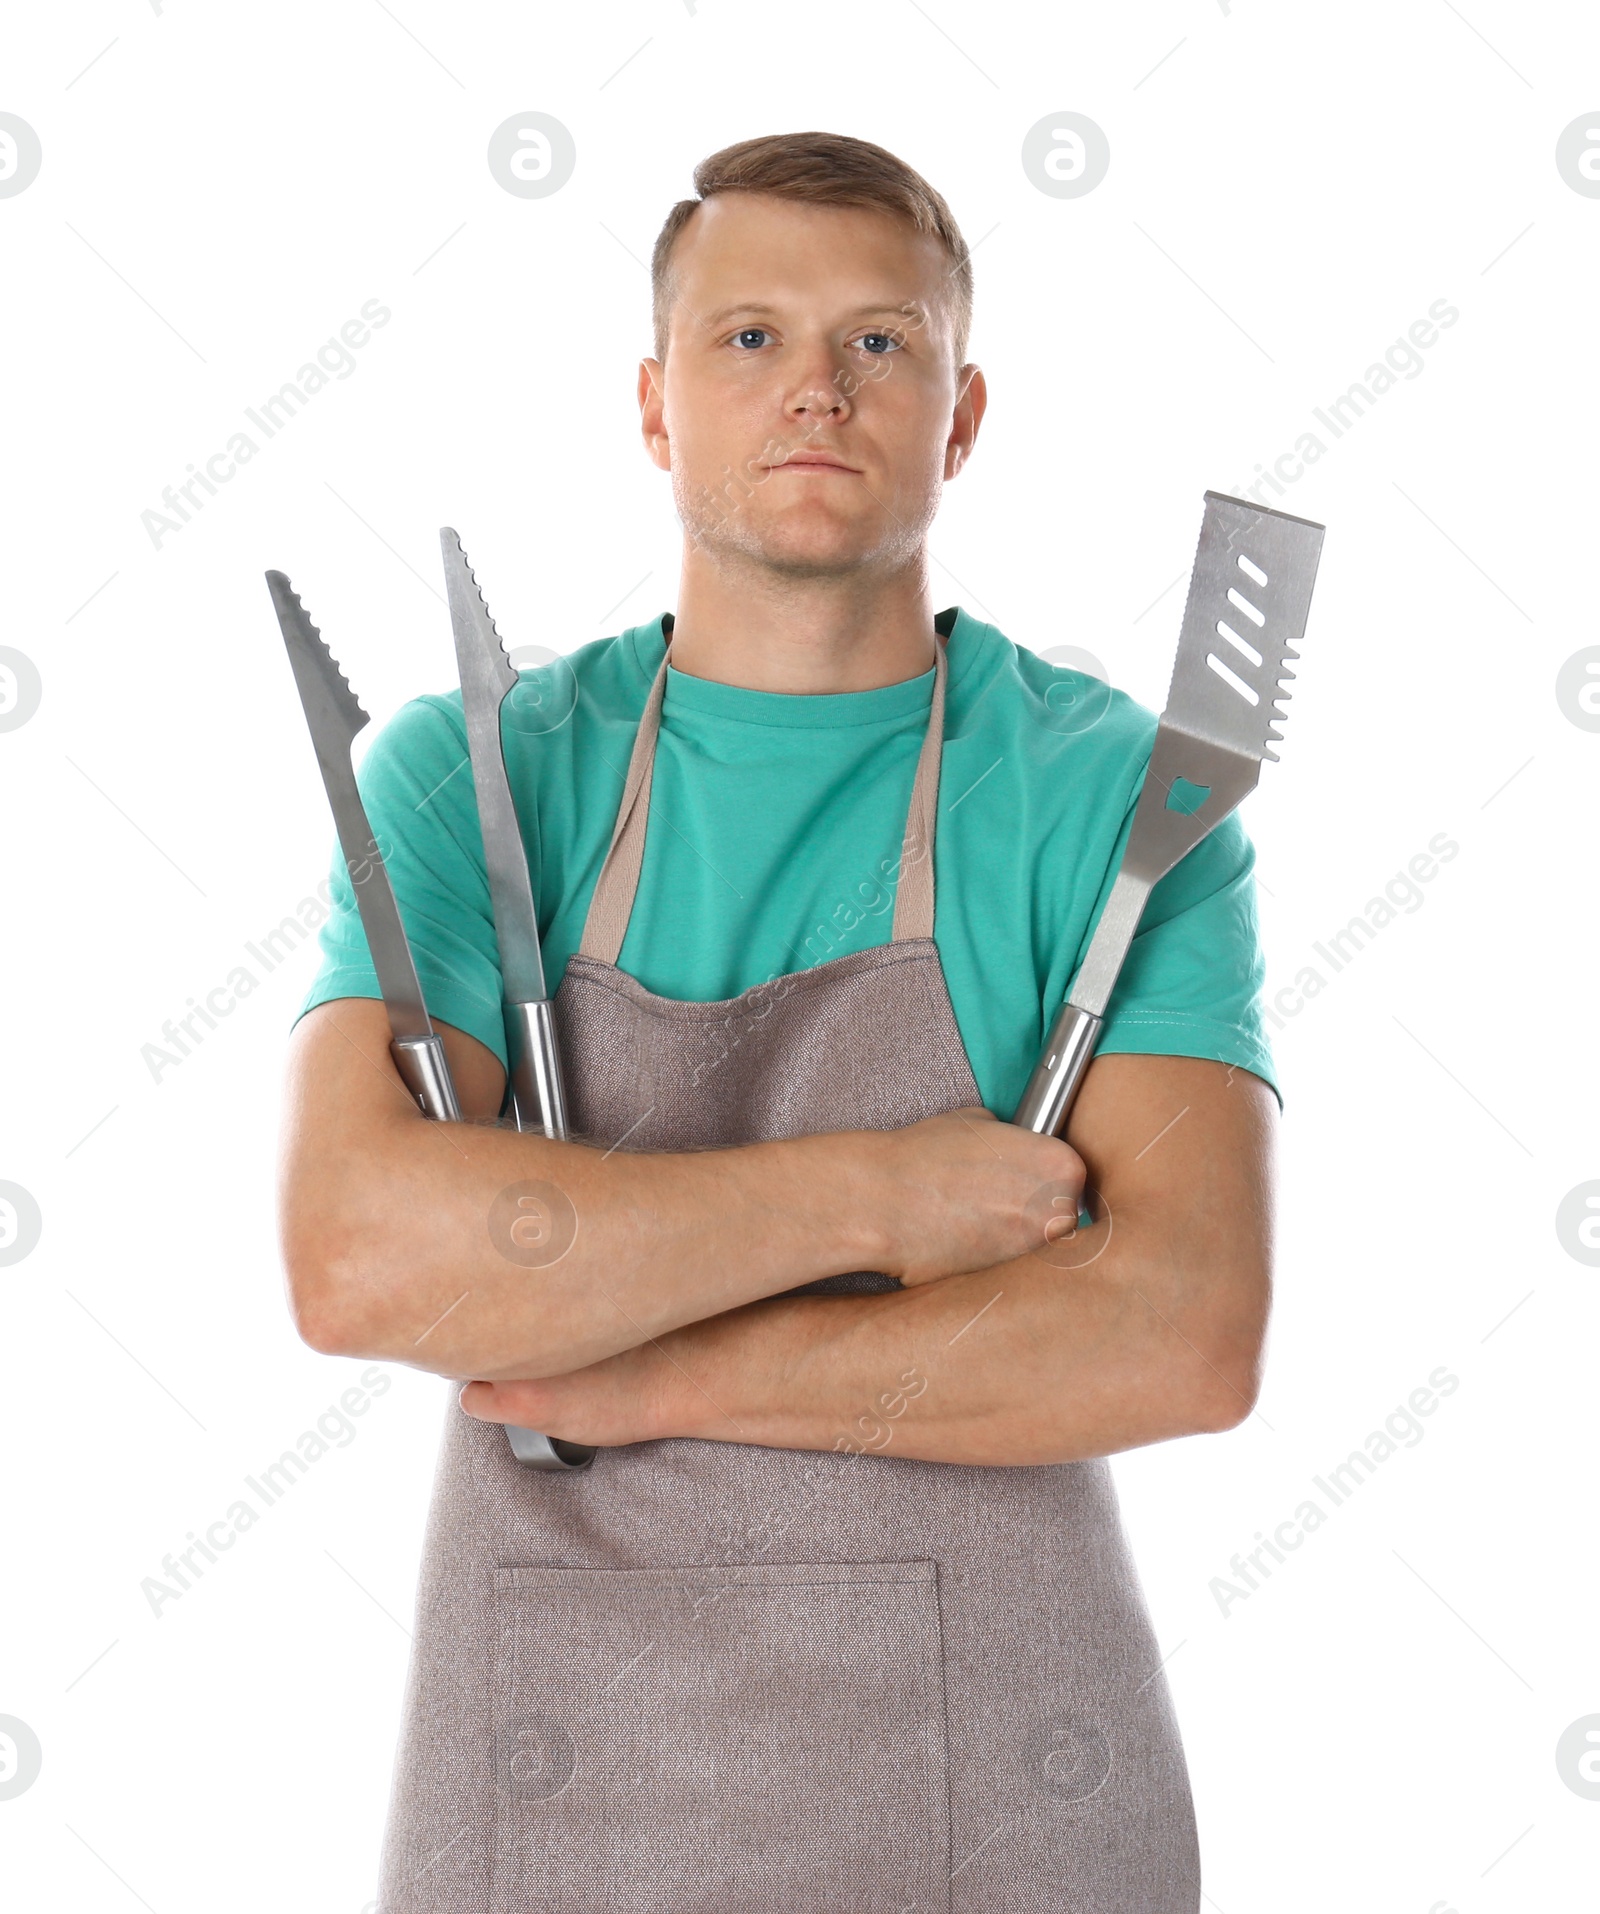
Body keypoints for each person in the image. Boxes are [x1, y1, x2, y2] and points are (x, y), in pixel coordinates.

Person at [280, 129, 1278, 1913]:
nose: (813, 387)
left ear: (962, 416)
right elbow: (361, 1257)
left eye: (877, 342)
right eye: (747, 337)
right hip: (555, 1789)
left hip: (1012, 1803)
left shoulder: (1111, 799)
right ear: (654, 407)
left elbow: (1181, 1331)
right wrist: (882, 1204)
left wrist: (657, 1370)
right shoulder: (482, 775)